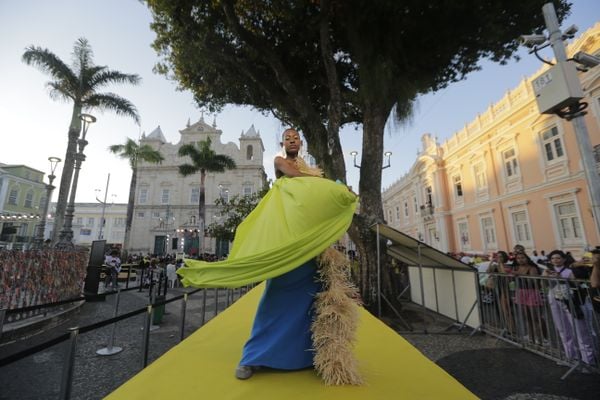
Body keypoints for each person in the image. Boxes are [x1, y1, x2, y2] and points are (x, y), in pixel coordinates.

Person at [177, 128, 358, 382]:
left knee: (309, 303)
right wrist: (333, 187)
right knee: (274, 298)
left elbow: (317, 199)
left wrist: (340, 195)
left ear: (301, 143)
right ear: (283, 143)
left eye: (296, 138)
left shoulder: (311, 170)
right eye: (288, 138)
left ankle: (308, 357)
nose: (292, 140)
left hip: (310, 246)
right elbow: (297, 177)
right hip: (287, 240)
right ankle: (252, 357)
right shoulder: (281, 162)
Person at [544, 250, 596, 366]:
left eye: (558, 258)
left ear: (563, 259)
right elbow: (543, 285)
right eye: (553, 258)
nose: (555, 260)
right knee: (563, 329)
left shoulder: (569, 271)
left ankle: (588, 359)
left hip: (569, 301)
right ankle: (570, 356)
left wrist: (562, 278)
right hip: (554, 300)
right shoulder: (548, 271)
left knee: (580, 329)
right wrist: (545, 276)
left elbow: (577, 285)